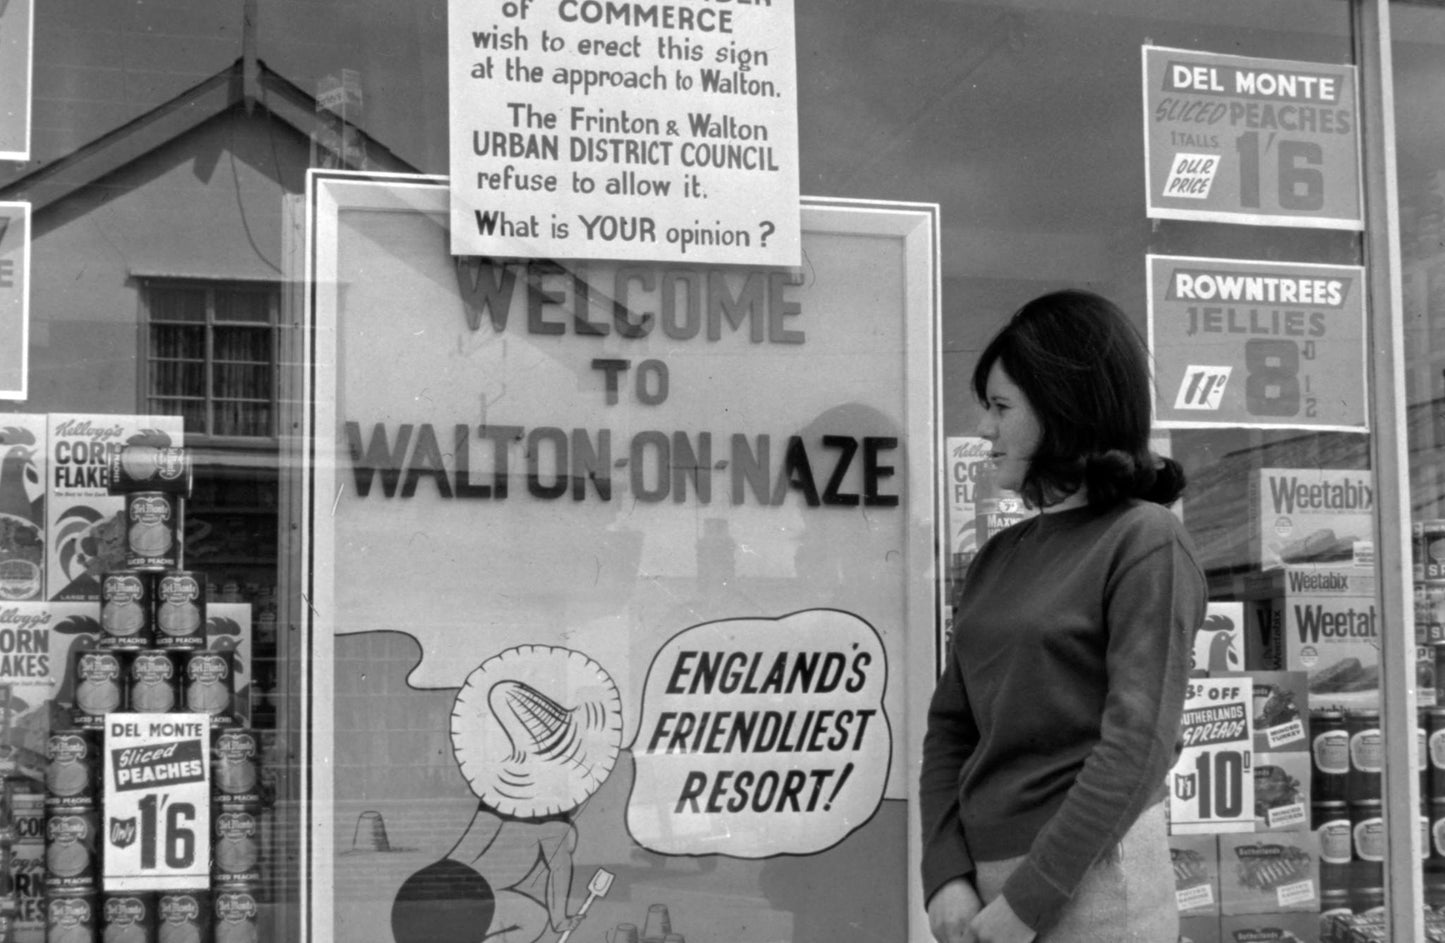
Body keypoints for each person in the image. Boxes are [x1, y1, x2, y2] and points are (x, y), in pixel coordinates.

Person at [920, 289, 1207, 943]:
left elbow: (1137, 747)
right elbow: (949, 730)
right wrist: (943, 873)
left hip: (1094, 891)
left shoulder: (1144, 539)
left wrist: (1027, 903)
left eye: (999, 407)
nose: (984, 429)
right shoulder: (996, 558)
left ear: (1062, 409)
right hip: (983, 901)